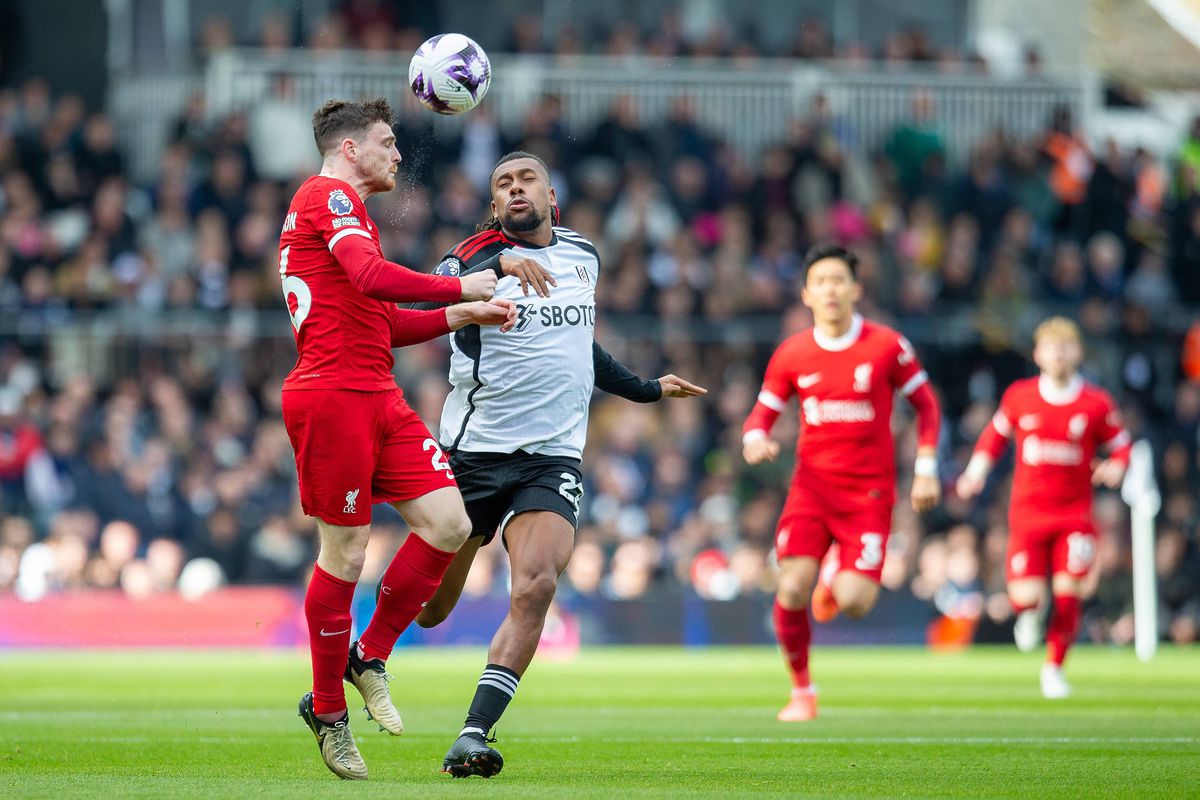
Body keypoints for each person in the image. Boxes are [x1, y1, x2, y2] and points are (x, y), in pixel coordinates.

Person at [368, 151, 705, 778]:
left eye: (526, 179)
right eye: (502, 183)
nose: (514, 188)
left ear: (553, 198)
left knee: (537, 584)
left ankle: (474, 732)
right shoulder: (469, 257)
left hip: (551, 458)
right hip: (473, 455)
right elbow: (424, 301)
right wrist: (496, 265)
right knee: (433, 610)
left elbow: (581, 346)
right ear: (494, 207)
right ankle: (365, 649)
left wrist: (646, 388)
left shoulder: (584, 256)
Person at [279, 98, 545, 781]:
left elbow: (380, 319)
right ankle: (330, 710)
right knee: (346, 551)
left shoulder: (345, 211)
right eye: (387, 143)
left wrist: (461, 310)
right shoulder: (324, 197)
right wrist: (460, 280)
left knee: (450, 523)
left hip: (376, 391)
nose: (398, 155)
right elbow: (371, 279)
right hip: (333, 392)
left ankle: (367, 656)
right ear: (349, 150)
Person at [741, 243, 942, 722]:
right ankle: (803, 692)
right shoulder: (792, 353)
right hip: (811, 491)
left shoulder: (887, 346)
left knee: (854, 603)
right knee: (790, 589)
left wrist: (928, 467)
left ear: (856, 289)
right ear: (807, 294)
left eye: (839, 280)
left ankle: (833, 581)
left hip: (869, 496)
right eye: (821, 281)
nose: (831, 289)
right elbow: (761, 415)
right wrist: (754, 438)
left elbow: (928, 406)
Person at [956, 317, 1130, 698]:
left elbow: (1121, 444)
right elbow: (994, 437)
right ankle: (1029, 616)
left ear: (1078, 353)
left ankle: (1054, 667)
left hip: (1074, 516)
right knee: (1026, 598)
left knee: (1069, 594)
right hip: (1028, 516)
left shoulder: (1095, 403)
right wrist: (975, 473)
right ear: (1037, 354)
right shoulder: (1021, 397)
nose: (1059, 354)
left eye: (1066, 347)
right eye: (1052, 347)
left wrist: (1118, 463)